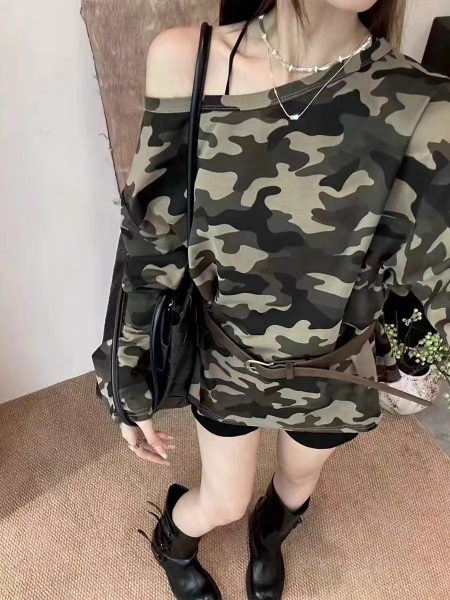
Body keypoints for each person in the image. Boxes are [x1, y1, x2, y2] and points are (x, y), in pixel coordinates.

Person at [93, 1, 450, 599]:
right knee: (223, 500)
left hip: (337, 368)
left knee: (296, 484)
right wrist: (127, 377)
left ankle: (271, 537)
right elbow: (153, 244)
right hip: (230, 356)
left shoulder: (427, 105)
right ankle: (172, 539)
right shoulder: (189, 60)